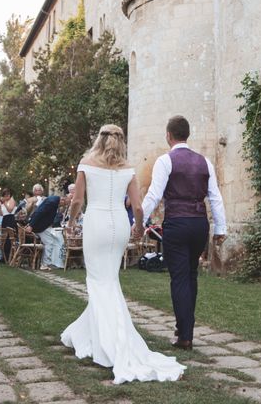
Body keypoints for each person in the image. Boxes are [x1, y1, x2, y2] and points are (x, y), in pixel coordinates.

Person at [61, 124, 185, 384]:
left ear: (100, 139)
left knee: (97, 281)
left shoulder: (86, 163)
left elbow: (76, 201)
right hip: (118, 223)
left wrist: (71, 221)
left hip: (95, 222)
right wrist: (139, 228)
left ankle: (109, 343)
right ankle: (89, 333)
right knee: (109, 280)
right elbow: (138, 207)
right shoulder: (127, 169)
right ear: (121, 141)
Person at [142, 116, 227, 351]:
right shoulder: (205, 162)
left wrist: (138, 222)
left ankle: (185, 335)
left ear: (169, 135)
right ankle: (185, 329)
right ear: (187, 135)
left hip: (177, 224)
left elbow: (154, 195)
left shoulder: (165, 160)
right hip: (200, 224)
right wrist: (221, 229)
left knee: (179, 278)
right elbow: (215, 197)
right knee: (190, 275)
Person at [25, 195, 60, 271]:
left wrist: (31, 224)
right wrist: (31, 225)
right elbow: (39, 213)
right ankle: (45, 264)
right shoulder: (52, 202)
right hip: (38, 228)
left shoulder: (51, 201)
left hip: (38, 226)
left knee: (50, 241)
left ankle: (46, 262)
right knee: (49, 242)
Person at [0, 188, 17, 259]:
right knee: (4, 238)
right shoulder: (3, 203)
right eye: (5, 195)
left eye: (8, 195)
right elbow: (0, 214)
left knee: (9, 238)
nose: (6, 196)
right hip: (5, 219)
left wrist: (5, 202)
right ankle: (4, 256)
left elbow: (10, 210)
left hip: (10, 219)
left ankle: (9, 255)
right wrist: (0, 206)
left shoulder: (12, 201)